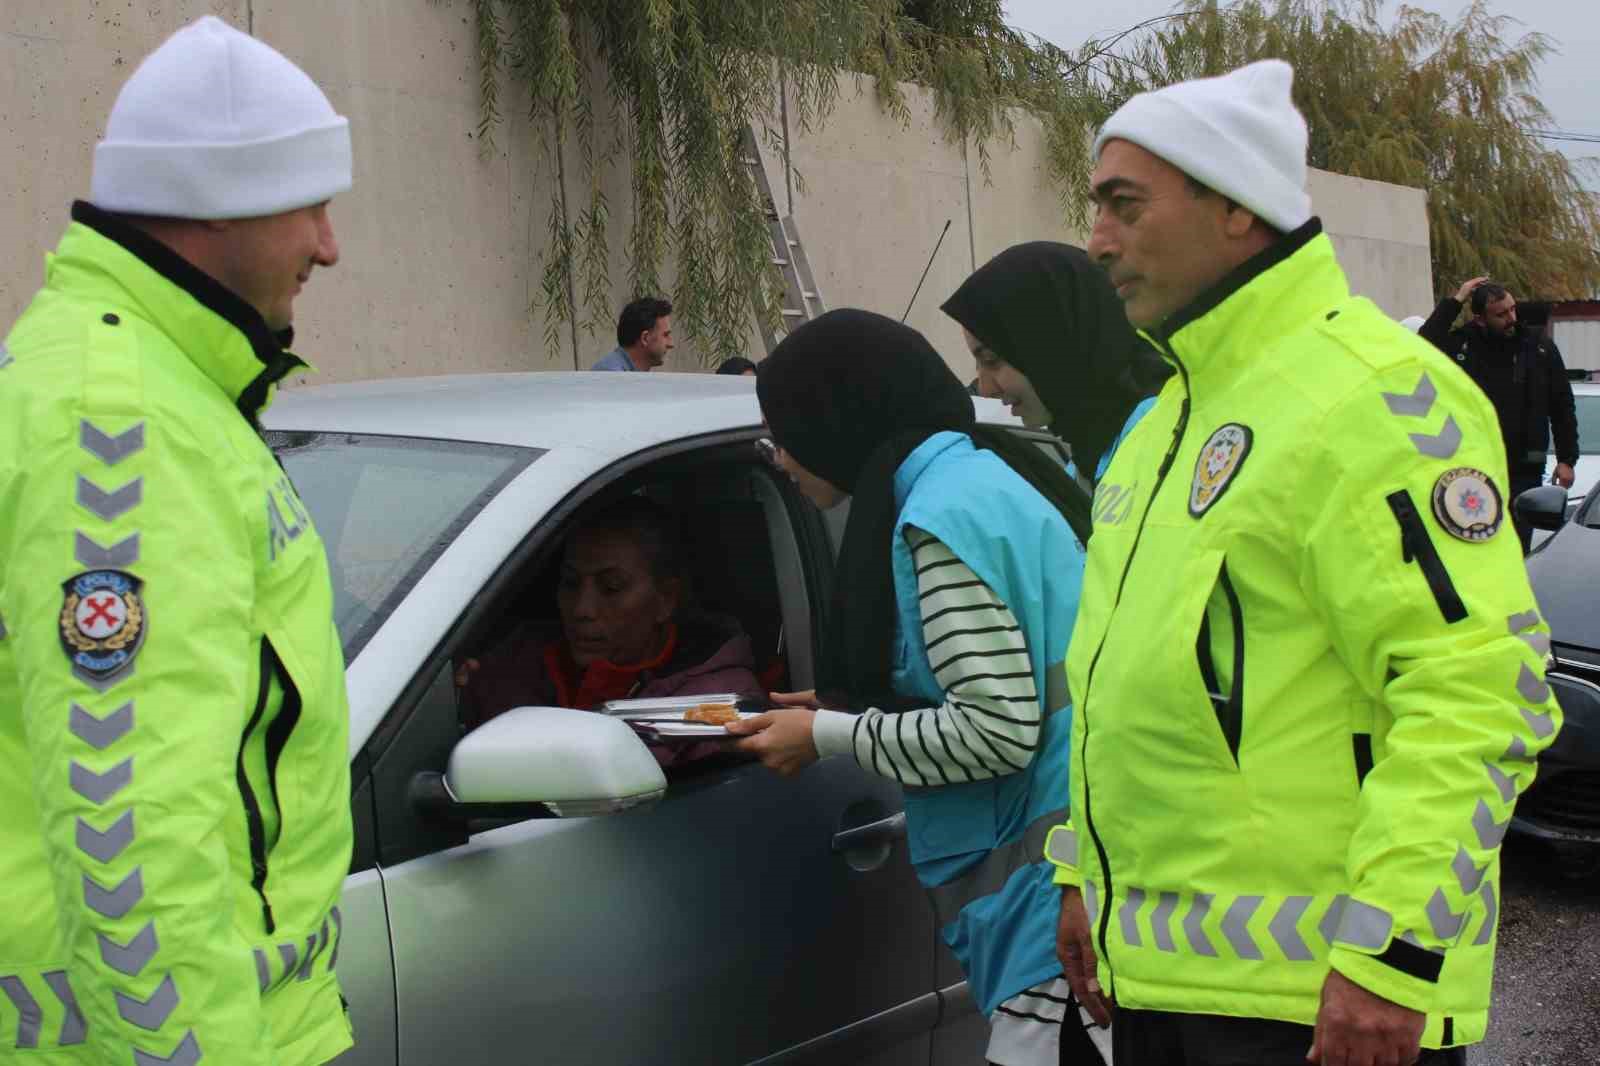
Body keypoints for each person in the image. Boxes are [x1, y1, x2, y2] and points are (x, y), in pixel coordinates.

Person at [1050, 59, 1562, 1066]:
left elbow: (1479, 688)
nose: (1096, 239)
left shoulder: (1370, 396)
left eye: (1123, 204)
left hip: (1320, 1006)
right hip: (1161, 985)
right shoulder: (1165, 419)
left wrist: (1391, 956)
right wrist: (1083, 878)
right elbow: (1124, 683)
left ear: (1236, 207)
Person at [0, 16, 356, 1066]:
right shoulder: (122, 425)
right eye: (311, 204)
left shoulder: (156, 389)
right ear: (219, 205)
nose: (329, 246)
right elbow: (135, 833)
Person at [728, 310, 1111, 1066]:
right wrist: (850, 710)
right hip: (1070, 874)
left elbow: (996, 731)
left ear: (836, 416)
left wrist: (825, 737)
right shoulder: (974, 478)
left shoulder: (935, 519)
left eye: (784, 428)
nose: (778, 456)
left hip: (1044, 901)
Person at [457, 495, 761, 731]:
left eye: (611, 588)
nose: (582, 610)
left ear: (666, 598)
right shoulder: (509, 665)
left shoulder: (716, 701)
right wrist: (450, 693)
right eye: (570, 583)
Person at [941, 241, 1172, 487]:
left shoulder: (1163, 434)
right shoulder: (1086, 453)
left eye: (991, 360)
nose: (986, 390)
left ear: (1050, 339)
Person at [1419, 278, 1579, 551]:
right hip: (1474, 466)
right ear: (1480, 319)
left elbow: (1562, 405)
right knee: (1477, 547)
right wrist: (1457, 299)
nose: (1511, 318)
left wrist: (1567, 459)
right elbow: (1424, 344)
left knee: (1517, 549)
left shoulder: (1538, 348)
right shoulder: (1463, 346)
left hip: (1524, 469)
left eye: (1513, 309)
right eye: (1501, 314)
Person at [592, 297, 674, 371]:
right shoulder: (611, 374)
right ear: (645, 338)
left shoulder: (626, 375)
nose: (671, 344)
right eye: (665, 335)